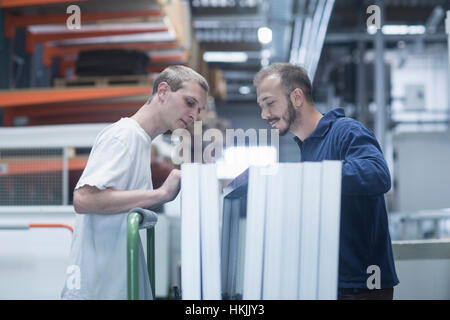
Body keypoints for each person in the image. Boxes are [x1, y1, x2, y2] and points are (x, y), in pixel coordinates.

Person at [61, 65, 209, 300]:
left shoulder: (141, 142)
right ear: (162, 91)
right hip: (98, 289)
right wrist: (160, 194)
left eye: (198, 109)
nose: (194, 115)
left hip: (113, 284)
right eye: (189, 102)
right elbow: (84, 199)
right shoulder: (124, 136)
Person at [253, 63, 399, 300]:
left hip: (361, 286)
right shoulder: (308, 149)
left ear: (297, 97)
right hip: (326, 281)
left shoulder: (346, 131)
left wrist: (310, 177)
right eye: (262, 106)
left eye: (270, 103)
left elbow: (378, 175)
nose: (264, 114)